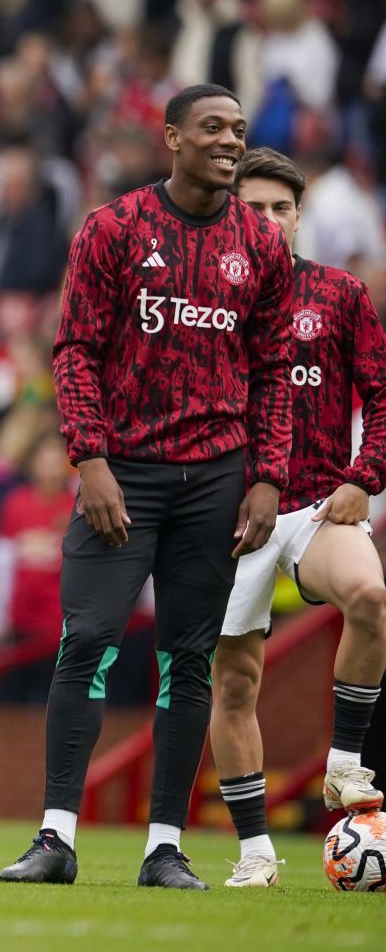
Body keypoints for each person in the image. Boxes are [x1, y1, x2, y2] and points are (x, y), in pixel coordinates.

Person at [0, 84, 293, 890]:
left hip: (218, 477)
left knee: (188, 660)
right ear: (172, 137)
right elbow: (73, 350)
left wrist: (268, 475)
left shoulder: (260, 248)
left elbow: (271, 373)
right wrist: (89, 459)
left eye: (238, 130)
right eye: (213, 128)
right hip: (121, 471)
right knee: (87, 638)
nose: (231, 142)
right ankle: (56, 836)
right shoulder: (115, 227)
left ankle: (165, 846)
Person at [211, 148, 386, 887]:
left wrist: (365, 478)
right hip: (231, 514)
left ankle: (344, 766)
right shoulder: (207, 303)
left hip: (318, 501)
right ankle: (256, 854)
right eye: (254, 208)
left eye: (282, 209)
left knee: (371, 598)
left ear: (299, 216)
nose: (270, 221)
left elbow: (382, 399)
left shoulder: (340, 294)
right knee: (235, 683)